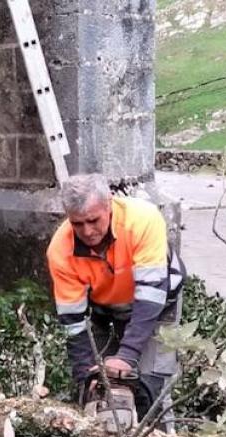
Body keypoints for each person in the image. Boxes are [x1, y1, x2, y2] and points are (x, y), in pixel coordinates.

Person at [46, 173, 185, 422]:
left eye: (93, 220)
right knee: (97, 388)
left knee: (149, 386)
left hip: (157, 303)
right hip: (105, 307)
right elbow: (73, 322)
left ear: (108, 204)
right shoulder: (60, 249)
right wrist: (84, 374)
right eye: (77, 224)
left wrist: (127, 356)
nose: (87, 231)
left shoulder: (143, 219)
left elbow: (150, 297)